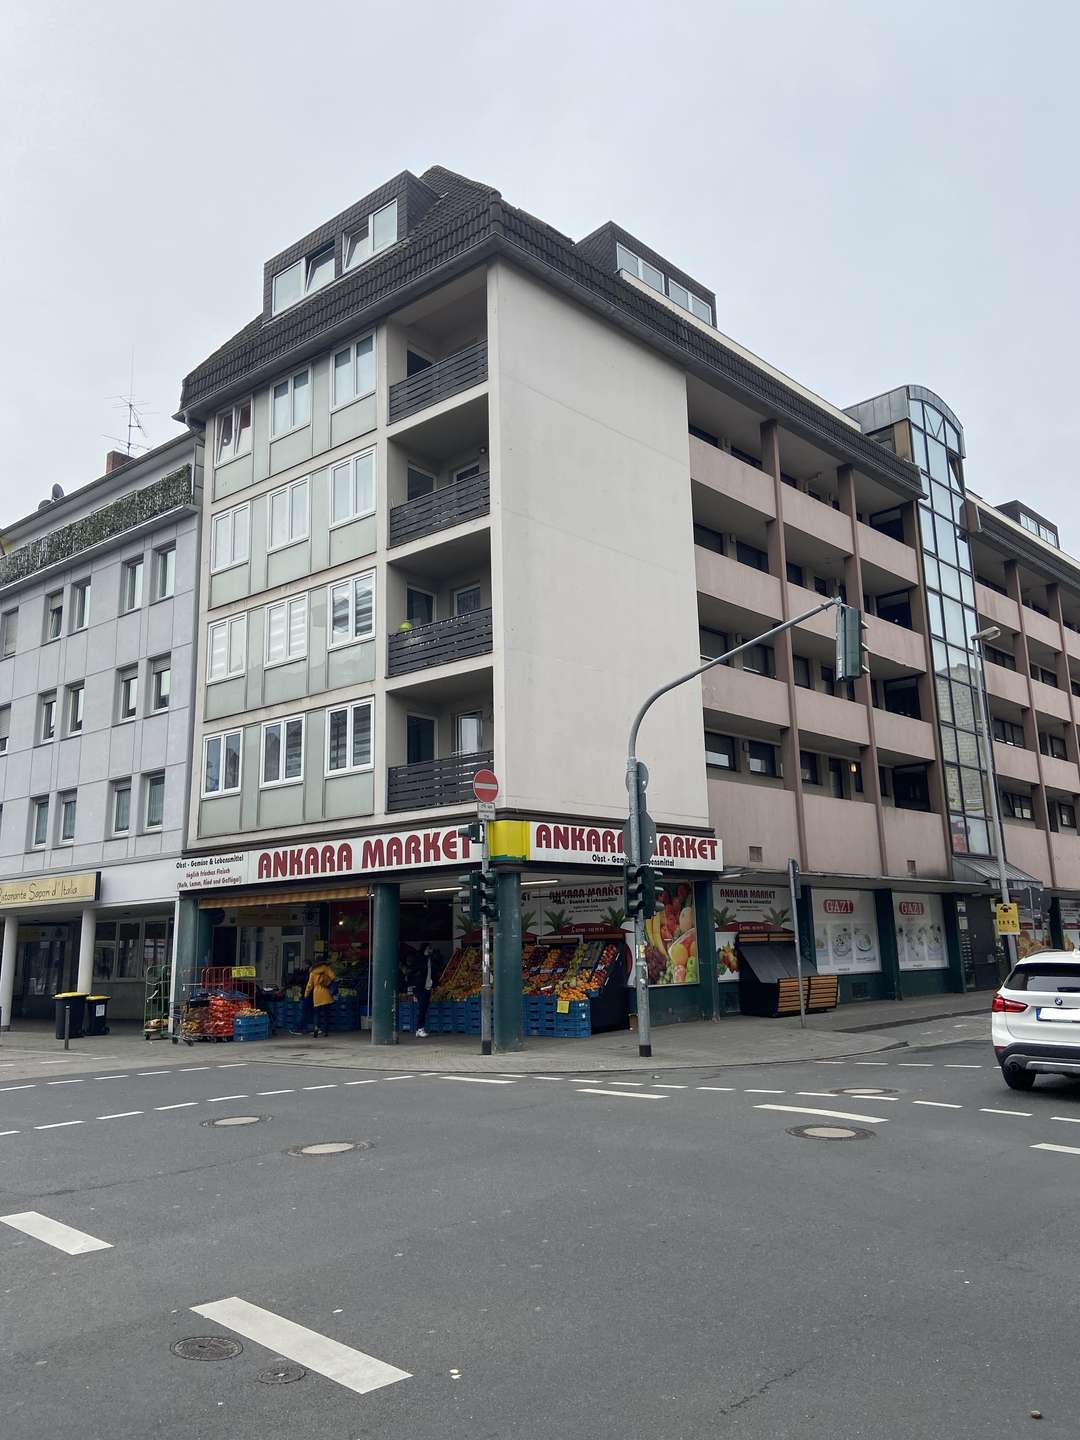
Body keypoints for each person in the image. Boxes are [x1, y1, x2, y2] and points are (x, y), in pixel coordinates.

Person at [410, 944, 442, 1038]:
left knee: (423, 1008)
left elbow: (434, 972)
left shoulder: (430, 960)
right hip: (420, 987)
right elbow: (413, 971)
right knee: (422, 1008)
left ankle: (419, 1028)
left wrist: (435, 983)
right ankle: (420, 1028)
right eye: (429, 948)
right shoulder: (420, 959)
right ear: (425, 949)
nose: (431, 950)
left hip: (427, 986)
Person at [304, 960, 337, 1037]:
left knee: (316, 1014)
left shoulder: (312, 972)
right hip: (325, 993)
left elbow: (309, 985)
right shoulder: (326, 968)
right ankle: (325, 1031)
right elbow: (333, 977)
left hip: (316, 995)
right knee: (326, 1014)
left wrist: (306, 994)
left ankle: (316, 1028)